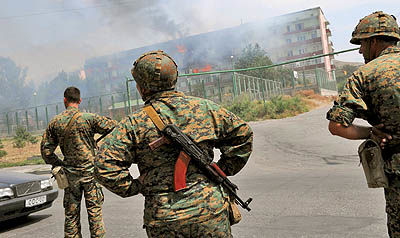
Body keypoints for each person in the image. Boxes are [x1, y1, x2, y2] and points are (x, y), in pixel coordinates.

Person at [94, 50, 253, 237]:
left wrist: (136, 186)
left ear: (141, 87)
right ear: (174, 78)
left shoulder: (134, 123)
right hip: (210, 211)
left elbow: (103, 165)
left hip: (164, 217)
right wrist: (224, 168)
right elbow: (243, 134)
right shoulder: (205, 108)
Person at [326, 11, 400, 237]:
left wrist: (371, 133)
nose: (360, 50)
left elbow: (337, 126)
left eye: (362, 44)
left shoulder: (364, 75)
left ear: (374, 41)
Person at [41, 86, 117, 238]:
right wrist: (100, 149)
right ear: (79, 100)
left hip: (70, 176)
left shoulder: (55, 122)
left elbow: (46, 151)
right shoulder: (88, 118)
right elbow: (114, 126)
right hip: (91, 175)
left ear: (65, 100)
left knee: (71, 216)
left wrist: (60, 164)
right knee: (95, 215)